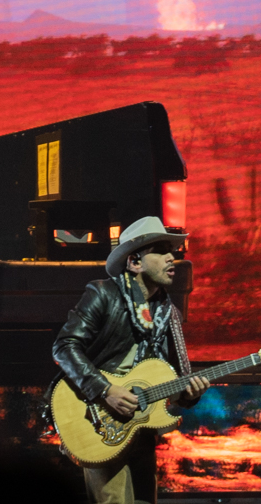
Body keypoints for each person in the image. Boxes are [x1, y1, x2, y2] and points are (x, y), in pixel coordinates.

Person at [51, 216, 211, 504]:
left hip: (141, 426)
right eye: (160, 251)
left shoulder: (169, 313)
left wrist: (190, 394)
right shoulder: (104, 294)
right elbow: (64, 346)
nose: (171, 258)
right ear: (135, 262)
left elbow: (176, 378)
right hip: (99, 417)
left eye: (172, 251)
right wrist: (106, 390)